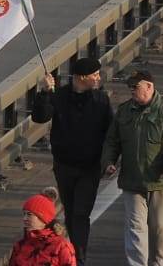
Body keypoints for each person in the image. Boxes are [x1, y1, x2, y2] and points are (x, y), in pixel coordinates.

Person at [29, 58, 113, 264]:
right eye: (95, 75)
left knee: (81, 214)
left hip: (90, 168)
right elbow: (40, 117)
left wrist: (110, 160)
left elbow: (111, 132)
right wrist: (45, 93)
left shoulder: (101, 100)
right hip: (65, 166)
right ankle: (72, 253)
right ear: (83, 77)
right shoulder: (60, 96)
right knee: (70, 210)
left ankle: (79, 258)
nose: (99, 78)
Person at [100, 70, 163, 266]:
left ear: (149, 86)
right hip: (132, 180)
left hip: (160, 181)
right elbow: (112, 141)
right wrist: (108, 162)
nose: (132, 90)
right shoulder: (124, 111)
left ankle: (157, 261)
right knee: (135, 227)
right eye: (130, 87)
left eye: (136, 87)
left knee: (159, 228)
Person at [8, 194, 76, 266]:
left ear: (44, 218)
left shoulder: (61, 246)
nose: (24, 218)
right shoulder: (19, 246)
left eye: (29, 214)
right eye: (24, 214)